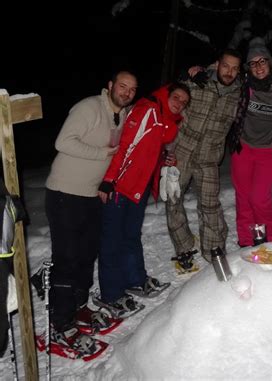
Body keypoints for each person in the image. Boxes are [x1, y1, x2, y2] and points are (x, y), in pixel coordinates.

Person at [44, 70, 137, 356]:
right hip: (64, 193)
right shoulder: (88, 108)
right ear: (110, 86)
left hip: (91, 195)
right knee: (67, 258)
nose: (126, 92)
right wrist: (103, 154)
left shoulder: (122, 114)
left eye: (132, 89)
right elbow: (63, 142)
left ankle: (79, 306)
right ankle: (59, 323)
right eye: (122, 86)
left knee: (86, 255)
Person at [95, 83, 190, 317]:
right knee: (112, 241)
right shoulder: (148, 110)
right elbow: (126, 146)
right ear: (166, 94)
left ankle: (135, 279)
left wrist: (163, 158)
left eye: (184, 102)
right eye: (176, 97)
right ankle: (111, 294)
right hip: (121, 186)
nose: (179, 103)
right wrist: (109, 180)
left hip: (139, 188)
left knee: (131, 235)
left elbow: (146, 151)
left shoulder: (163, 118)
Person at [165, 49, 242, 268]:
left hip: (209, 156)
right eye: (226, 66)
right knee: (173, 200)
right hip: (181, 151)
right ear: (217, 64)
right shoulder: (198, 80)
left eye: (235, 68)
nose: (229, 72)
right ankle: (184, 246)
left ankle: (213, 248)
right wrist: (184, 74)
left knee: (210, 205)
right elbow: (170, 94)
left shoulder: (239, 93)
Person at [228, 44, 272, 247]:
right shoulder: (244, 86)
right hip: (243, 148)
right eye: (253, 63)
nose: (258, 66)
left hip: (269, 151)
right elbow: (222, 75)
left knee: (259, 198)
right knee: (243, 197)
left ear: (269, 63)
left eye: (262, 61)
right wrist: (200, 70)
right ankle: (247, 240)